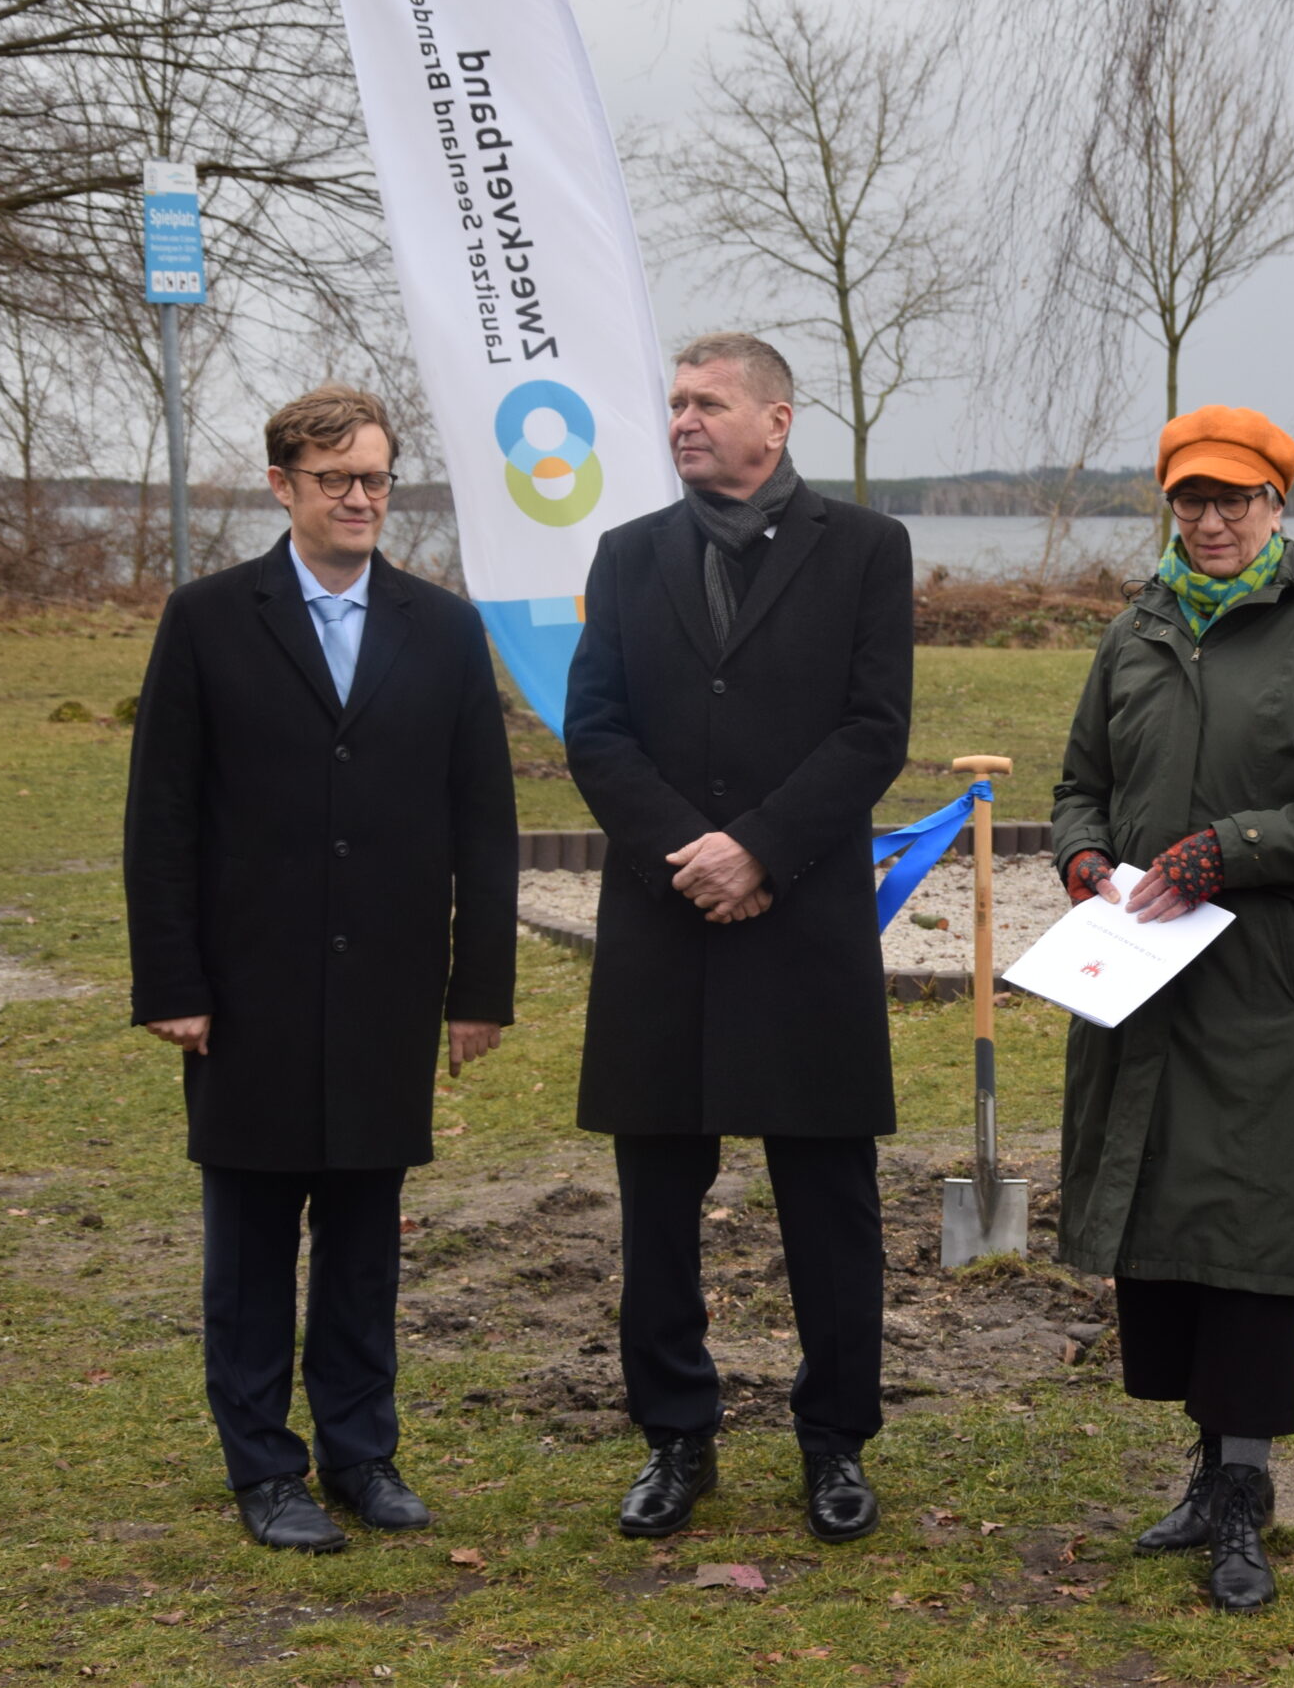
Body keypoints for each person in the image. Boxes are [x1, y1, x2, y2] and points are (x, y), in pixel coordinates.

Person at [123, 385, 517, 1552]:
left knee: (362, 1239)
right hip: (247, 992)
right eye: (336, 478)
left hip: (389, 990)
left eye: (377, 478)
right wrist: (173, 984)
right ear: (283, 486)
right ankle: (265, 1470)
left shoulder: (442, 628)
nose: (360, 498)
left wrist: (478, 989)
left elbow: (482, 823)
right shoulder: (206, 620)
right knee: (248, 1249)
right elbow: (163, 821)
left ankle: (361, 1453)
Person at [1050, 405, 1294, 1613]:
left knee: (1249, 1237)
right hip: (1138, 985)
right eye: (1191, 501)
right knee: (1164, 1227)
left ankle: (1246, 1493)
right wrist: (1085, 858)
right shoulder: (1134, 634)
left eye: (1234, 500)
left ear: (1275, 507)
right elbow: (1078, 784)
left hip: (1263, 990)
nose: (1210, 521)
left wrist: (1232, 850)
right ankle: (1203, 1475)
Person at [562, 332, 911, 1545]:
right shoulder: (624, 557)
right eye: (673, 403)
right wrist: (693, 857)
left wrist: (759, 848)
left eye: (707, 402)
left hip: (801, 920)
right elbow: (596, 735)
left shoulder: (866, 550)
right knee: (657, 1199)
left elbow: (874, 732)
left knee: (828, 1198)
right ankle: (674, 1437)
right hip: (665, 925)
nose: (681, 420)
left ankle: (835, 1443)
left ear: (779, 420)